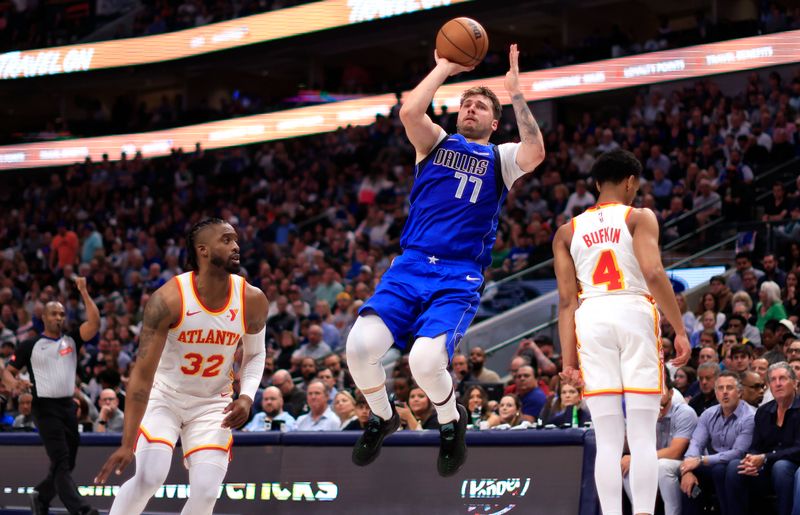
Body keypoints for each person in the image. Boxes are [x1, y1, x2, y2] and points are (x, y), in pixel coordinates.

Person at [345, 44, 545, 477]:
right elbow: (410, 112)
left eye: (480, 106)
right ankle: (382, 415)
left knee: (423, 361)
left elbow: (535, 151)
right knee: (359, 349)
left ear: (494, 123)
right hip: (410, 266)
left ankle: (451, 423)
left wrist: (514, 92)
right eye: (466, 104)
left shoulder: (500, 158)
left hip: (458, 274)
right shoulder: (435, 143)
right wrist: (444, 66)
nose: (471, 108)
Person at [94, 218, 268, 515]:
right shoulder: (168, 299)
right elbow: (142, 375)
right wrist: (126, 443)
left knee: (206, 492)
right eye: (226, 240)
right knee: (149, 478)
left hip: (213, 402)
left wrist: (247, 395)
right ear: (203, 250)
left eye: (236, 239)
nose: (236, 246)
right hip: (165, 396)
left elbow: (255, 355)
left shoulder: (252, 299)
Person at [554, 148, 690, 515]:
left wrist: (569, 361)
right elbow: (654, 273)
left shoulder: (567, 231)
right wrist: (679, 328)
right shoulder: (639, 216)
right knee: (643, 433)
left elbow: (566, 302)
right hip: (632, 310)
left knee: (609, 439)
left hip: (592, 316)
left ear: (597, 183)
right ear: (631, 182)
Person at [3, 276, 99, 515]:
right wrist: (14, 383)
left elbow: (95, 323)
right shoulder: (30, 345)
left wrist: (84, 292)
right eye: (54, 314)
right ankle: (82, 510)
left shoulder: (72, 339)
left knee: (67, 463)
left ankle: (41, 495)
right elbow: (8, 371)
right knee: (61, 459)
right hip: (44, 408)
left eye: (62, 314)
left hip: (68, 407)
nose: (58, 318)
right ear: (44, 317)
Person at [725, 362, 800, 515]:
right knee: (735, 467)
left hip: (792, 466)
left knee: (782, 467)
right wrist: (751, 459)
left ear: (795, 383)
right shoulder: (764, 411)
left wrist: (765, 457)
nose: (777, 384)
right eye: (773, 380)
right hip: (766, 466)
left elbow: (798, 449)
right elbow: (755, 445)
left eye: (783, 379)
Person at [679, 371, 755, 515]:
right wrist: (688, 469)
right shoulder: (708, 414)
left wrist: (700, 460)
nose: (724, 392)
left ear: (739, 392)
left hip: (739, 467)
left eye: (729, 388)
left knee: (721, 469)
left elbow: (738, 452)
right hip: (714, 464)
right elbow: (696, 443)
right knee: (684, 472)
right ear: (715, 392)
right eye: (720, 388)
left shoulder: (749, 417)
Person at [622, 385, 698, 515]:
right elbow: (628, 447)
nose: (656, 395)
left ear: (671, 393)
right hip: (654, 460)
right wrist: (644, 425)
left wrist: (638, 458)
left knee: (662, 466)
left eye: (660, 390)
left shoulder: (684, 412)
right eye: (652, 390)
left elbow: (675, 452)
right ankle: (641, 511)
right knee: (627, 466)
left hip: (684, 463)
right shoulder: (645, 413)